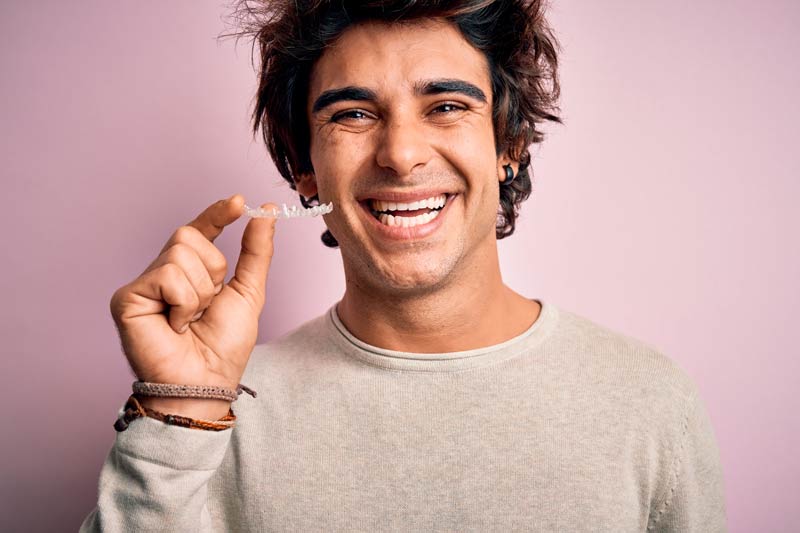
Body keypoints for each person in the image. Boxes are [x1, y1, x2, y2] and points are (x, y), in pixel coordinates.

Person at [80, 1, 726, 531]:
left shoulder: (646, 398)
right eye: (353, 114)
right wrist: (176, 416)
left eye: (446, 106)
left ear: (509, 144)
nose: (402, 153)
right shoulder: (211, 410)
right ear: (304, 169)